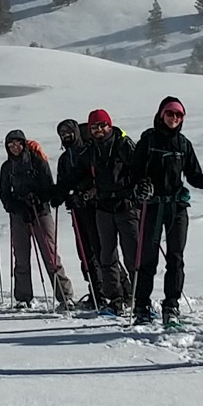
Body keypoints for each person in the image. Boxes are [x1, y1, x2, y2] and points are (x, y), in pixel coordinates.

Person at [129, 96, 203, 326]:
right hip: (152, 205)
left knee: (175, 258)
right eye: (170, 114)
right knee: (147, 258)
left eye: (178, 115)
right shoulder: (148, 141)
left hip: (176, 206)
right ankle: (141, 305)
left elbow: (193, 175)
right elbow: (133, 172)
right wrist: (140, 186)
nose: (174, 118)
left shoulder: (183, 144)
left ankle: (171, 305)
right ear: (161, 114)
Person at [0, 129, 76, 309]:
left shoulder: (37, 162)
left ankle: (65, 296)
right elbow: (5, 194)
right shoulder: (6, 167)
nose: (14, 147)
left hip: (41, 212)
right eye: (11, 144)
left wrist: (38, 198)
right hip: (19, 215)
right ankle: (23, 298)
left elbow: (48, 186)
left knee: (50, 256)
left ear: (24, 144)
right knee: (21, 256)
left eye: (18, 143)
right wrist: (17, 206)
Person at [75, 107, 139, 313]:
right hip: (103, 207)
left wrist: (139, 188)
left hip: (126, 206)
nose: (99, 129)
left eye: (102, 125)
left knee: (132, 255)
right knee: (107, 256)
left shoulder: (124, 145)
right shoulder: (91, 149)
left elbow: (140, 168)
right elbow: (79, 174)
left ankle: (139, 297)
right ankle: (116, 298)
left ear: (109, 125)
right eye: (94, 126)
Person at [52, 118, 100, 308]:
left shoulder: (89, 152)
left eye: (68, 132)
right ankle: (95, 291)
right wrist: (57, 196)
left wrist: (84, 196)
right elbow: (63, 183)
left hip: (95, 207)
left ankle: (115, 291)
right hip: (77, 210)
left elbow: (96, 179)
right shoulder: (65, 159)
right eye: (62, 134)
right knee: (85, 252)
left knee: (101, 250)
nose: (66, 136)